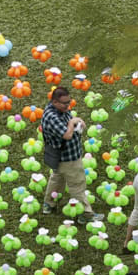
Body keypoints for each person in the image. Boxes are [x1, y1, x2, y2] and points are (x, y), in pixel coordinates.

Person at [41, 87, 104, 225]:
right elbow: (67, 135)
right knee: (77, 185)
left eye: (69, 102)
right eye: (64, 103)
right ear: (55, 102)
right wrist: (71, 123)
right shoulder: (51, 117)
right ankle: (85, 214)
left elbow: (71, 120)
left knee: (57, 178)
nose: (68, 105)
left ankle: (49, 204)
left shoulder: (60, 110)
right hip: (67, 158)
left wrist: (77, 120)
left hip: (61, 158)